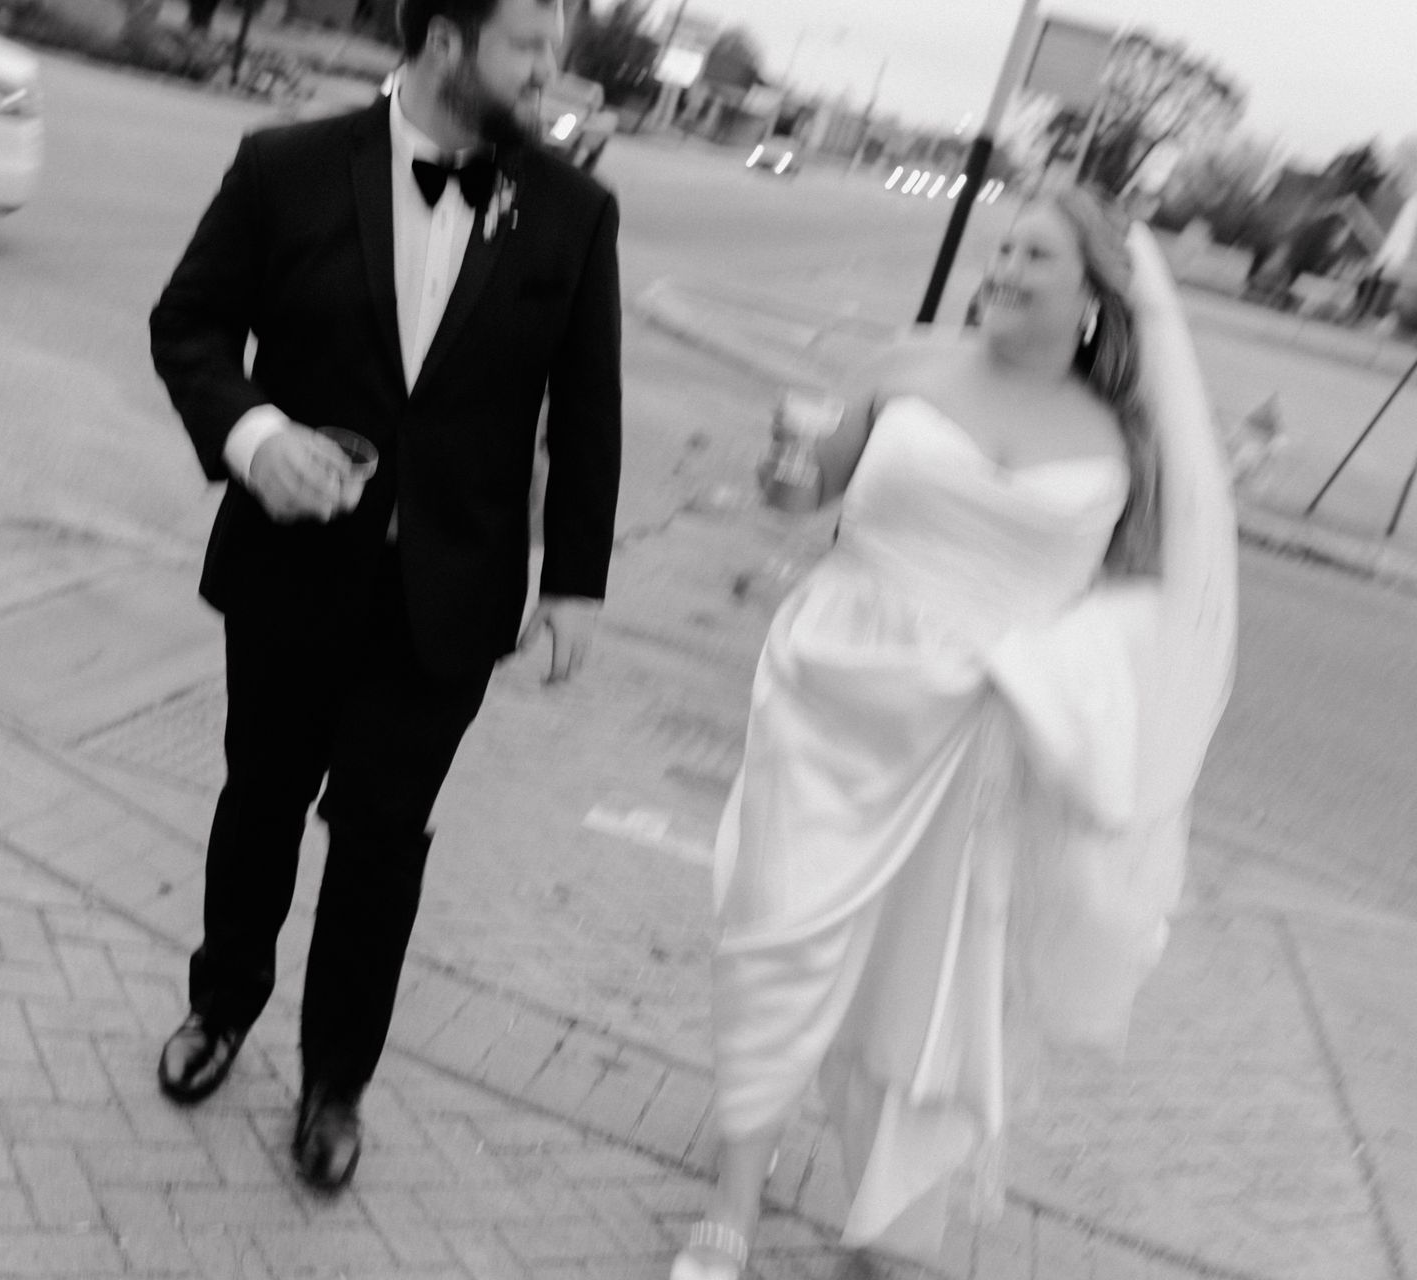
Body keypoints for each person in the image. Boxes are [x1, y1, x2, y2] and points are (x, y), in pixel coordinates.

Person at [671, 188, 1237, 1277]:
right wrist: (785, 466)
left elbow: (1153, 607)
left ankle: (886, 1207)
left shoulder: (1126, 438)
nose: (1008, 266)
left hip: (982, 736)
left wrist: (1054, 682)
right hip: (836, 691)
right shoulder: (905, 366)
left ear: (1093, 300)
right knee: (781, 926)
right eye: (1005, 246)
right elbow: (805, 491)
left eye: (1038, 253)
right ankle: (735, 1196)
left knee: (929, 975)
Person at [148, 0, 622, 1192]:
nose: (549, 72)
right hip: (288, 574)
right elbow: (189, 324)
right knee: (258, 800)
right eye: (529, 47)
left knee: (380, 848)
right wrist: (253, 434)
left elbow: (590, 409)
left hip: (447, 600)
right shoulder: (286, 167)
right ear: (451, 42)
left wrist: (573, 581)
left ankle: (334, 1081)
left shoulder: (570, 208)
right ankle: (222, 1006)